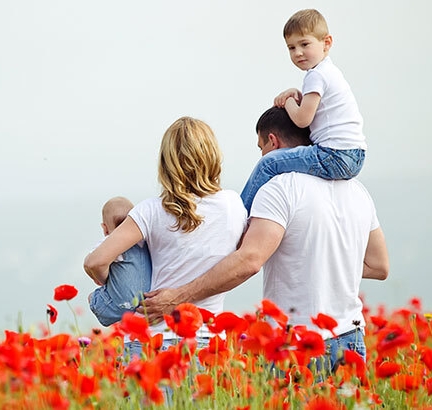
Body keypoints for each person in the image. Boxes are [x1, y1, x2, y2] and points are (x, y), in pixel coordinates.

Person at [143, 107, 389, 370]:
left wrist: (178, 296)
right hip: (351, 341)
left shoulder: (279, 188)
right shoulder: (357, 191)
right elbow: (379, 266)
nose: (261, 155)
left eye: (260, 147)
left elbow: (248, 260)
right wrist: (325, 264)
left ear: (273, 141)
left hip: (296, 345)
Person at [83, 116, 247, 357]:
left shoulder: (151, 210)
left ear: (166, 162)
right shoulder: (234, 205)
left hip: (155, 343)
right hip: (209, 344)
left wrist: (107, 282)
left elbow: (94, 262)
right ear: (213, 156)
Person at [241, 9, 367, 213]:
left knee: (268, 163)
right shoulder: (330, 72)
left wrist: (289, 100)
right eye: (291, 47)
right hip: (355, 154)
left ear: (326, 43)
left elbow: (302, 119)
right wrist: (297, 95)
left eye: (304, 44)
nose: (297, 52)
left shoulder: (316, 75)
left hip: (334, 154)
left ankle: (239, 217)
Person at [87, 196, 152, 327]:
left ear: (105, 228)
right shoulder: (143, 241)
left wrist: (103, 279)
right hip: (146, 301)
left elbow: (93, 263)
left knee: (91, 297)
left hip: (121, 304)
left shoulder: (110, 243)